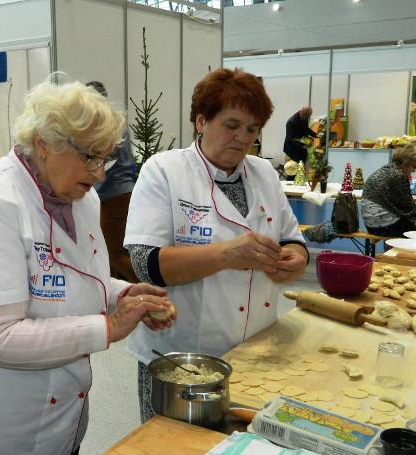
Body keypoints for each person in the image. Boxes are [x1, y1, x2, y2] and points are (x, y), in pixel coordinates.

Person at [0, 77, 174, 455]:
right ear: (44, 143)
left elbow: (78, 277)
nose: (99, 175)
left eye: (105, 159)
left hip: (63, 419)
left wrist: (123, 293)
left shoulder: (81, 198)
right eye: (90, 157)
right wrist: (109, 327)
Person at [123, 68, 309, 422]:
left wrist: (295, 259)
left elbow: (291, 237)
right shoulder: (164, 171)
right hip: (182, 360)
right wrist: (225, 254)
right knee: (173, 452)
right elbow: (146, 264)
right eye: (232, 125)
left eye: (252, 129)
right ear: (201, 121)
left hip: (254, 350)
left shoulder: (264, 174)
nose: (242, 138)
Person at [86, 80, 138, 282]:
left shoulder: (105, 125)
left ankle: (149, 287)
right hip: (121, 193)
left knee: (113, 254)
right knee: (112, 253)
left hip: (113, 195)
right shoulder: (117, 121)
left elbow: (106, 162)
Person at [362, 144, 416, 237]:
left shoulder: (386, 169)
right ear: (406, 164)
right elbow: (408, 208)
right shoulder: (398, 176)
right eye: (414, 166)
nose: (414, 171)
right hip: (385, 227)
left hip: (373, 225)